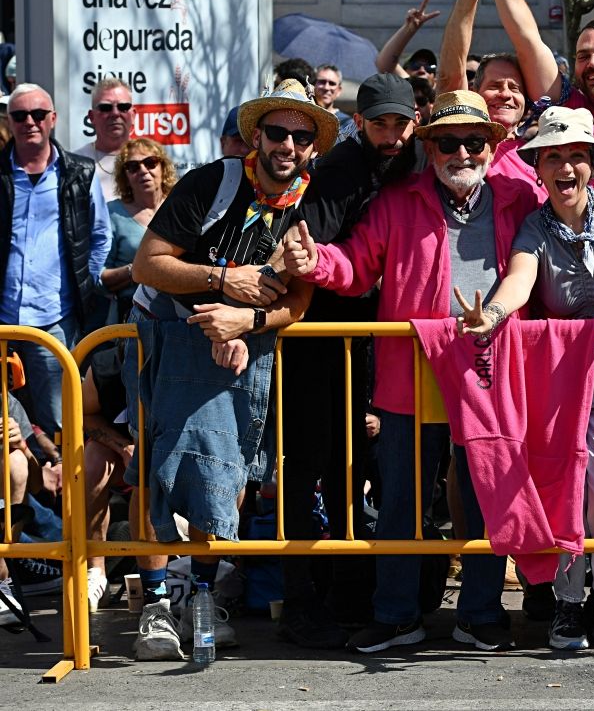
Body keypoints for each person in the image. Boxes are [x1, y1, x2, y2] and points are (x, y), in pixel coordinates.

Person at [283, 87, 542, 654]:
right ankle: (397, 614)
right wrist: (315, 261)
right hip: (411, 370)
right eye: (448, 142)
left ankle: (481, 612)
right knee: (402, 499)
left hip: (488, 370)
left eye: (474, 142)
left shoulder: (520, 196)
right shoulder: (398, 201)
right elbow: (355, 264)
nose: (462, 153)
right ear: (430, 147)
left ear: (490, 147)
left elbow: (573, 205)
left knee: (482, 496)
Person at [454, 105, 594, 653]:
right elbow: (520, 279)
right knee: (566, 492)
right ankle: (569, 605)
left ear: (593, 164)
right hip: (556, 371)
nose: (566, 166)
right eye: (554, 156)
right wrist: (493, 316)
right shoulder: (534, 225)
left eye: (577, 155)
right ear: (539, 167)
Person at [126, 80, 331, 658]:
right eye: (277, 132)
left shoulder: (308, 206)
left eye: (301, 134)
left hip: (241, 349)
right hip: (164, 337)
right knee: (158, 470)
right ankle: (155, 605)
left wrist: (248, 324)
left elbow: (298, 302)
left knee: (225, 472)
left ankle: (201, 595)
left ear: (313, 147)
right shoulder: (212, 182)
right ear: (256, 136)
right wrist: (222, 282)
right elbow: (147, 264)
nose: (287, 144)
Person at [271, 71, 426, 650]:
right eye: (380, 123)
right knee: (312, 467)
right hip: (319, 340)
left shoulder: (411, 163)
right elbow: (317, 255)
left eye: (399, 123)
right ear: (358, 124)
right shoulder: (342, 170)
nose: (391, 135)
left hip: (366, 340)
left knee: (354, 469)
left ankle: (348, 592)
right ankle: (304, 600)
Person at [83, 137, 176, 613]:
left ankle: (201, 574)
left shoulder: (181, 209)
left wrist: (159, 272)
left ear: (164, 167)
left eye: (151, 162)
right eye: (133, 165)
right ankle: (95, 569)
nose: (143, 170)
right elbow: (98, 275)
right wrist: (143, 270)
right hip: (123, 333)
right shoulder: (113, 212)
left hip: (174, 338)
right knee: (95, 462)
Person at [1, 84, 110, 441]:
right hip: (3, 319)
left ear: (53, 120)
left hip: (54, 318)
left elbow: (99, 235)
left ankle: (59, 496)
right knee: (7, 421)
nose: (29, 122)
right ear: (10, 121)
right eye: (19, 116)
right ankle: (20, 496)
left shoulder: (80, 172)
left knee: (57, 421)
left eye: (37, 115)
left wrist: (86, 282)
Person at [73, 77, 134, 201]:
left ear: (133, 115)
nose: (115, 114)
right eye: (106, 108)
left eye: (123, 107)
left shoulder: (151, 162)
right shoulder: (75, 164)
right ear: (91, 117)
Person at [375, 0, 442, 84]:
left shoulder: (443, 95)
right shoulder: (406, 86)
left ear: (435, 79)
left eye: (429, 68)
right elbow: (384, 66)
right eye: (415, 66)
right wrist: (408, 29)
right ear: (405, 71)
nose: (422, 70)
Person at [311, 64, 358, 143]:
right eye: (322, 82)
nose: (326, 87)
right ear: (313, 85)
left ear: (339, 90)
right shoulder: (302, 117)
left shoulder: (347, 125)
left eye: (332, 83)